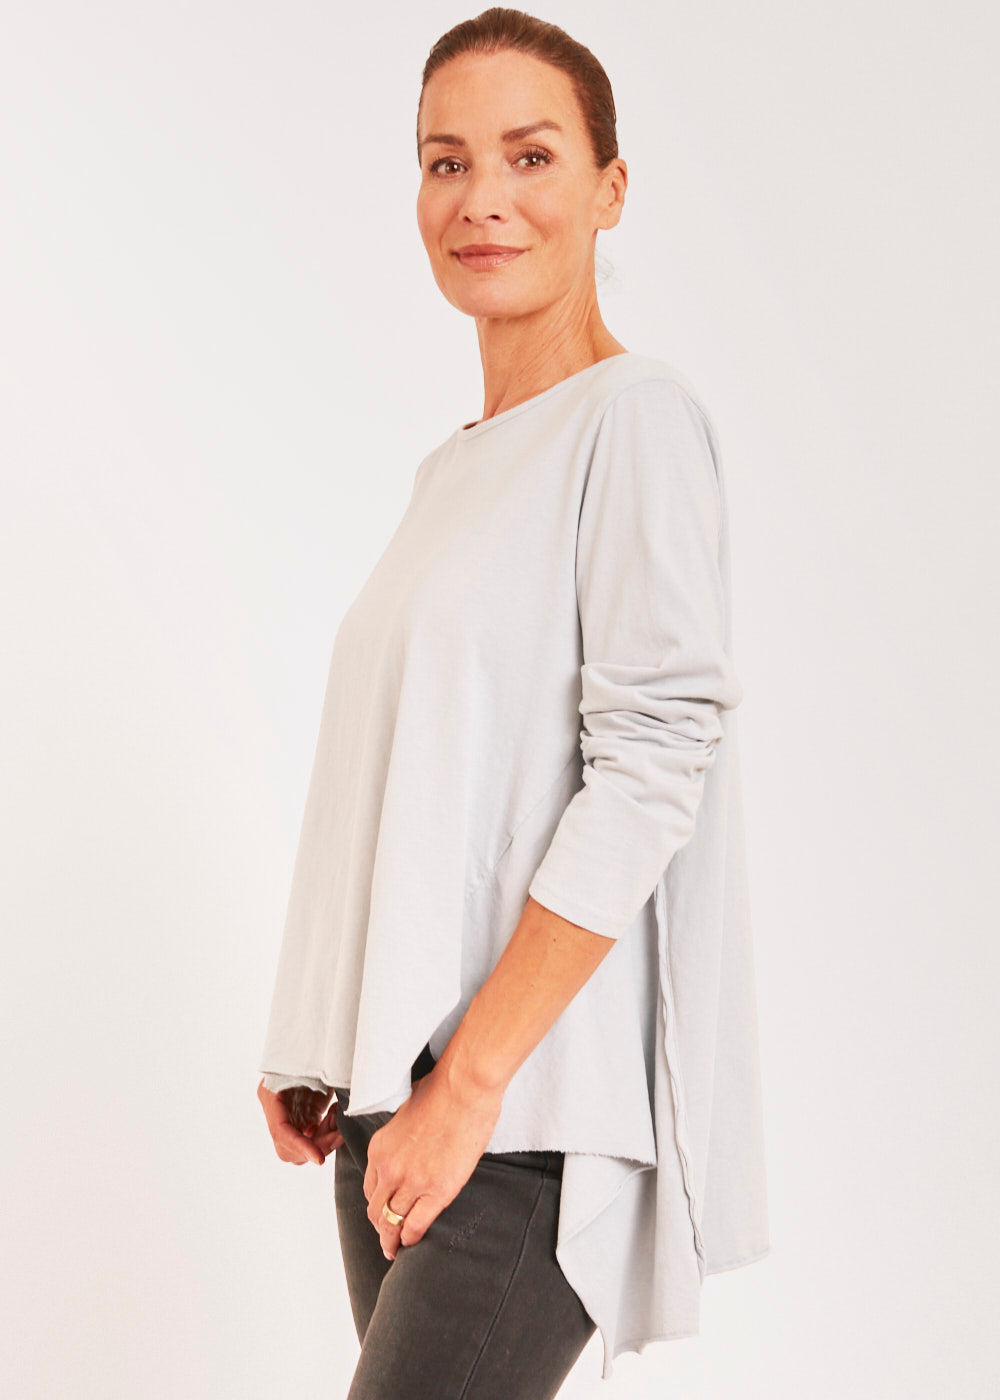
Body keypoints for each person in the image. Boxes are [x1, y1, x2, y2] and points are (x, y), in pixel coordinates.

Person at [256, 8, 769, 1396]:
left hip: (521, 1112)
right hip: (400, 1098)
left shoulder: (633, 419)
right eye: (447, 162)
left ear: (610, 188)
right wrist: (324, 1026)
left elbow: (650, 765)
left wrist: (471, 1083)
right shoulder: (457, 472)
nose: (482, 197)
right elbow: (412, 778)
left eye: (531, 156)